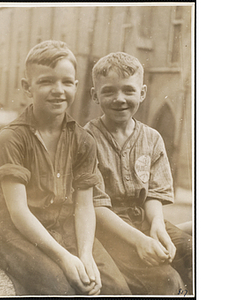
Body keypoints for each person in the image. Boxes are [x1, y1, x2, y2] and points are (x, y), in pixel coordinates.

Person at [0, 41, 131, 296]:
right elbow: (19, 212)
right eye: (46, 81)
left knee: (117, 288)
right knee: (61, 286)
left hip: (65, 229)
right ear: (26, 87)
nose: (58, 90)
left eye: (67, 82)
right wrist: (65, 258)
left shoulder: (83, 140)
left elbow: (84, 205)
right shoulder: (12, 138)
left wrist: (85, 254)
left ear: (76, 87)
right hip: (19, 236)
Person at [84, 52, 192, 295]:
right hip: (111, 232)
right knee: (166, 280)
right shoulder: (87, 140)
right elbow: (96, 206)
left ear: (142, 93)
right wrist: (140, 241)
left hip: (145, 221)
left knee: (193, 253)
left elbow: (154, 193)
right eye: (109, 91)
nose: (119, 99)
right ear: (94, 95)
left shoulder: (152, 139)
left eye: (128, 90)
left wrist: (157, 225)